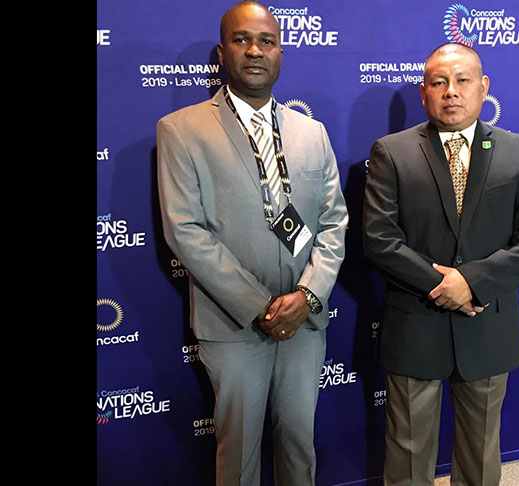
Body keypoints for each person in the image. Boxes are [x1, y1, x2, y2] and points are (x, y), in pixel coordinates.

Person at [156, 2, 348, 485]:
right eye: (242, 40)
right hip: (235, 324)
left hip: (304, 323)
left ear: (280, 52)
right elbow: (185, 230)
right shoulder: (181, 130)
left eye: (266, 41)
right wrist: (261, 305)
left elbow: (334, 222)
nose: (255, 51)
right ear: (223, 52)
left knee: (299, 446)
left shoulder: (312, 131)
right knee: (237, 453)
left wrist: (306, 297)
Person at [362, 42, 519, 486]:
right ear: (424, 92)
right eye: (439, 82)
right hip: (415, 325)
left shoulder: (518, 151)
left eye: (462, 80)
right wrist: (444, 286)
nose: (451, 91)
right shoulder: (391, 152)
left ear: (483, 87)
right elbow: (379, 240)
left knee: (481, 453)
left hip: (487, 324)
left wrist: (471, 282)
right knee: (407, 456)